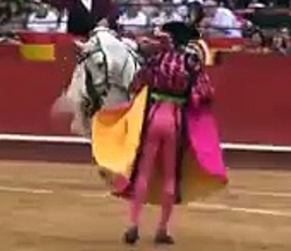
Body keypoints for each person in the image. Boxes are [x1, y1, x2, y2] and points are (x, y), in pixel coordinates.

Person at [92, 21, 228, 245]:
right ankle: (162, 229)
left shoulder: (156, 60)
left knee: (143, 173)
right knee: (169, 175)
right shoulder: (191, 63)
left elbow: (135, 84)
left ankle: (133, 225)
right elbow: (205, 94)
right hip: (174, 121)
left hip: (153, 116)